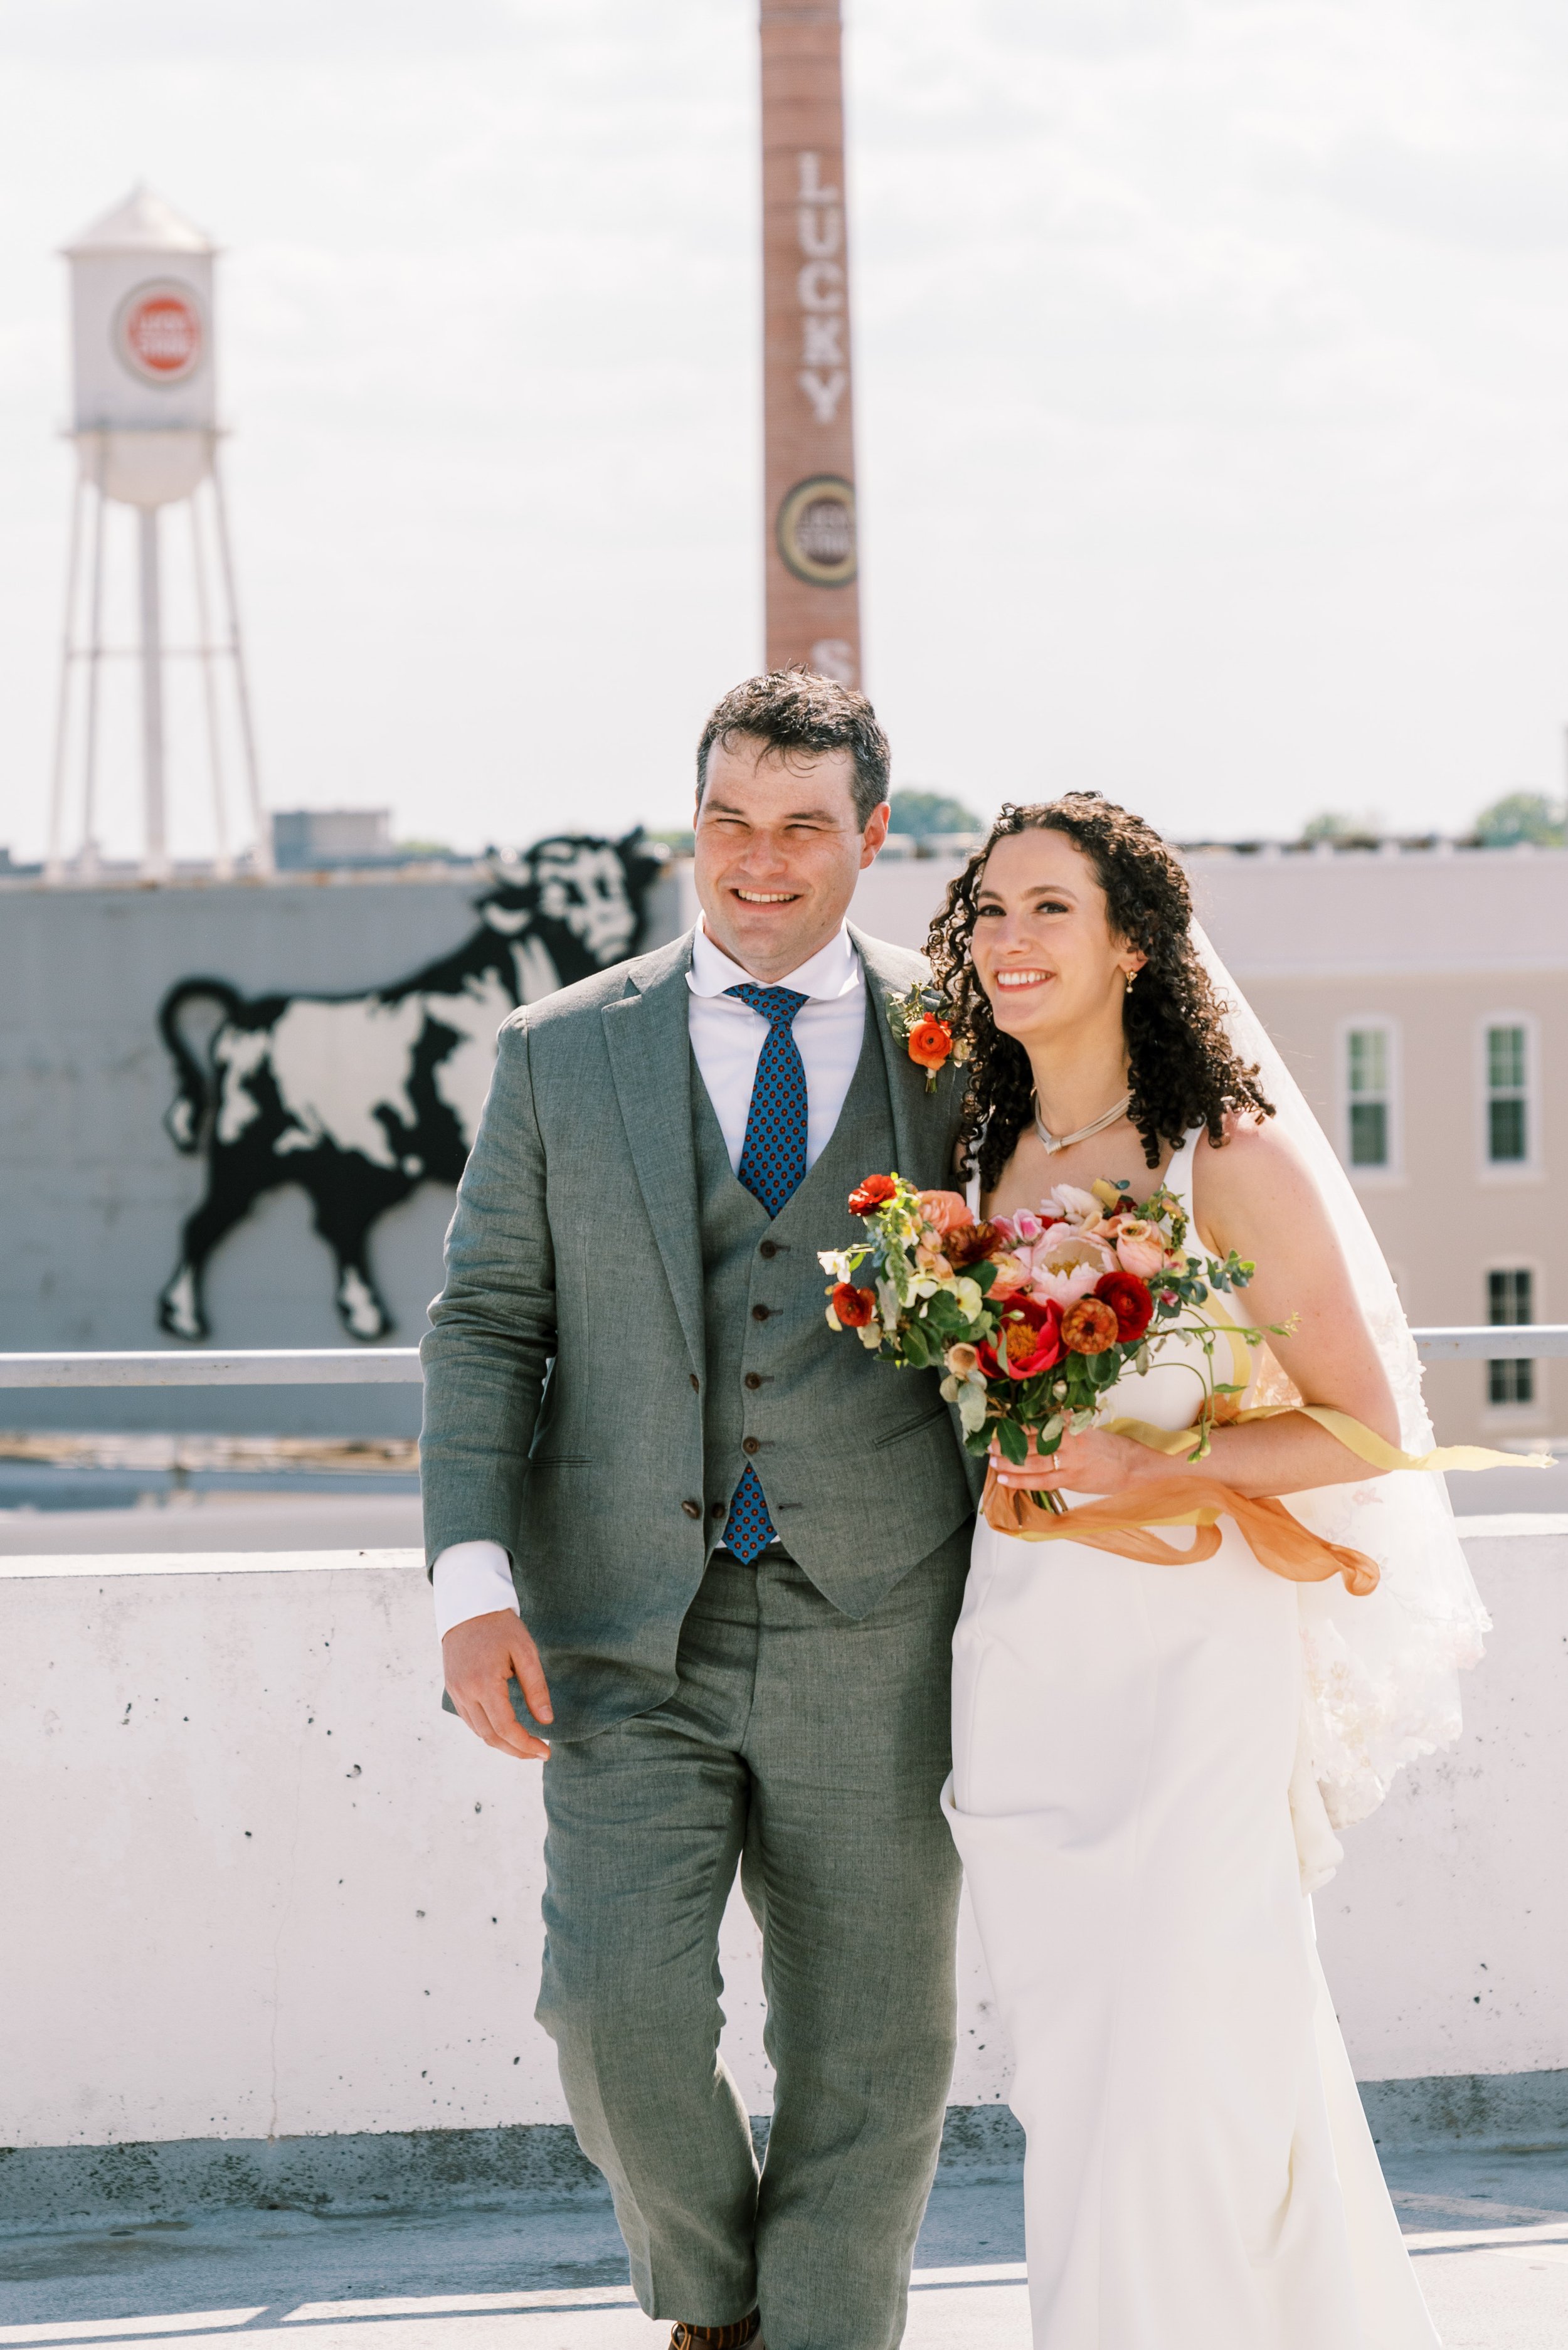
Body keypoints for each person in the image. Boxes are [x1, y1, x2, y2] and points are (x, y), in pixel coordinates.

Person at [419, 672, 980, 2350]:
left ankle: (819, 2334)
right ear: (694, 830)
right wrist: (466, 1576)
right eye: (729, 819)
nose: (758, 859)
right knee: (611, 2010)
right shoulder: (559, 1048)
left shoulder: (959, 1042)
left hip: (878, 1612)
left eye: (803, 825)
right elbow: (487, 1324)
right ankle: (717, 2304)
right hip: (618, 1617)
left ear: (867, 837)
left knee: (874, 2040)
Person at [930, 793, 1487, 2349]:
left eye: (1049, 908)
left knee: (1191, 2047)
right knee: (1077, 2066)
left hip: (1192, 1669)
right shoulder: (975, 1155)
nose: (1008, 940)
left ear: (1128, 942)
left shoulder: (1217, 1155)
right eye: (987, 909)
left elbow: (1364, 1431)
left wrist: (1162, 1467)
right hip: (1023, 1660)